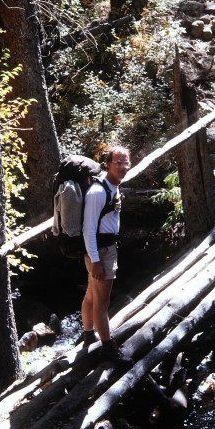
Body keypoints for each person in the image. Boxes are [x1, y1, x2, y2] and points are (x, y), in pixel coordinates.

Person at [81, 145, 133, 367]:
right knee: (103, 301)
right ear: (108, 164)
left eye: (126, 162)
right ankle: (109, 348)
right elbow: (88, 229)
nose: (123, 167)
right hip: (101, 252)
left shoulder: (112, 185)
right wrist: (95, 260)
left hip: (104, 249)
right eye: (118, 162)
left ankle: (88, 334)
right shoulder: (98, 192)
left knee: (92, 296)